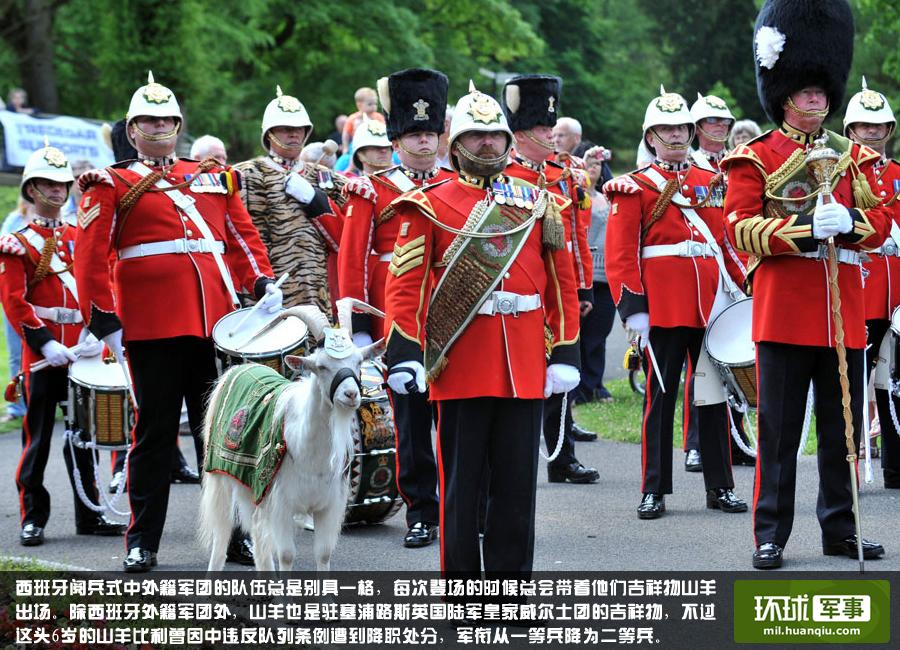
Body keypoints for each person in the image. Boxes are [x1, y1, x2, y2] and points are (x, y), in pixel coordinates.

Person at [74, 72, 281, 572]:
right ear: (132, 129)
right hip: (151, 325)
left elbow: (240, 237)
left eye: (167, 119)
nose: (159, 127)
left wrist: (261, 282)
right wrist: (103, 317)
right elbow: (89, 257)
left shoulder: (211, 176)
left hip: (213, 324)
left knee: (221, 437)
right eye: (149, 120)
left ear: (179, 125)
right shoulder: (111, 183)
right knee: (155, 435)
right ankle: (142, 541)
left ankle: (233, 537)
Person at [383, 81, 581, 579]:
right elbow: (405, 288)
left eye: (495, 135)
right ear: (456, 145)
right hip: (461, 364)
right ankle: (464, 596)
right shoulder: (427, 204)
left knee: (517, 492)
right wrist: (404, 351)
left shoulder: (539, 202)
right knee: (461, 489)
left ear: (508, 141)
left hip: (524, 364)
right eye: (477, 136)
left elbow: (562, 285)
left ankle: (511, 594)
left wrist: (565, 352)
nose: (488, 143)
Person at [721, 0, 888, 569]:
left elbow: (883, 222)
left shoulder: (852, 157)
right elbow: (740, 227)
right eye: (806, 91)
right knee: (779, 434)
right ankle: (770, 533)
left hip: (843, 309)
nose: (816, 100)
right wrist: (804, 230)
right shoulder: (756, 157)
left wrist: (853, 222)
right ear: (784, 94)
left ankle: (841, 528)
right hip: (786, 309)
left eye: (821, 91)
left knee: (843, 431)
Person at [604, 86, 747, 520]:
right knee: (660, 401)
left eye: (682, 127)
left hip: (710, 306)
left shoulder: (711, 181)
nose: (676, 134)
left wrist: (745, 290)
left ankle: (720, 486)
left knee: (713, 397)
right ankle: (654, 489)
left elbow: (725, 244)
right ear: (651, 137)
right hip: (663, 309)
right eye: (666, 129)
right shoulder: (634, 186)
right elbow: (621, 256)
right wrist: (634, 310)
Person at [339, 68, 454, 549]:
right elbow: (353, 260)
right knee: (410, 423)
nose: (423, 142)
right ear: (396, 140)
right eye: (413, 134)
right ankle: (421, 511)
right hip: (397, 319)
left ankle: (460, 508)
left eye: (430, 133)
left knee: (457, 422)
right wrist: (361, 327)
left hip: (453, 315)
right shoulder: (374, 188)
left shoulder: (458, 183)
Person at [0, 142, 123, 546]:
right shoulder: (17, 242)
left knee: (84, 438)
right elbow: (15, 302)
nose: (57, 190)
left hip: (82, 353)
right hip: (43, 356)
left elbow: (101, 286)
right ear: (31, 189)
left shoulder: (80, 236)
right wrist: (46, 344)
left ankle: (90, 514)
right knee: (37, 441)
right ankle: (32, 518)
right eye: (48, 184)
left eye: (62, 184)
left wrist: (93, 335)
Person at [501, 74, 599, 483]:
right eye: (543, 128)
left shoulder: (562, 175)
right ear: (521, 133)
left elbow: (576, 237)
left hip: (559, 292)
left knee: (562, 367)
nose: (550, 136)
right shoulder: (504, 176)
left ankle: (562, 457)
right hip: (521, 292)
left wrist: (583, 285)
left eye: (550, 127)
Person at [684, 93, 755, 469]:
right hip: (705, 274)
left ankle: (735, 437)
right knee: (700, 365)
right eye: (713, 122)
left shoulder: (735, 163)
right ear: (697, 128)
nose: (721, 127)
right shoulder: (688, 166)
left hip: (737, 272)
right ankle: (696, 442)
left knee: (735, 356)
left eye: (725, 122)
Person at [842, 77, 900, 489]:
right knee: (850, 383)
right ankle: (846, 467)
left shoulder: (898, 174)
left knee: (894, 382)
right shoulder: (839, 174)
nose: (873, 132)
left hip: (896, 291)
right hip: (859, 287)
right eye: (865, 125)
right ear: (850, 131)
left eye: (879, 125)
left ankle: (896, 466)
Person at [235, 86, 335, 315]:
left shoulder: (324, 176)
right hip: (269, 290)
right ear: (269, 133)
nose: (294, 134)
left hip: (317, 288)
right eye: (286, 129)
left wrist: (315, 199)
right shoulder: (246, 174)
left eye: (299, 129)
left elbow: (346, 235)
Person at [574, 146, 616, 405]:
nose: (593, 167)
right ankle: (578, 388)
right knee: (579, 335)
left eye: (597, 164)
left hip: (606, 276)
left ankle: (595, 384)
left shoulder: (609, 198)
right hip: (582, 275)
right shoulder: (574, 197)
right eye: (588, 163)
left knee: (599, 333)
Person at [342, 87, 386, 154]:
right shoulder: (353, 118)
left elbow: (385, 129)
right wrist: (345, 147)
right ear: (359, 105)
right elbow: (346, 133)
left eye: (375, 104)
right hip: (357, 145)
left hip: (377, 143)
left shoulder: (378, 117)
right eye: (370, 104)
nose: (374, 106)